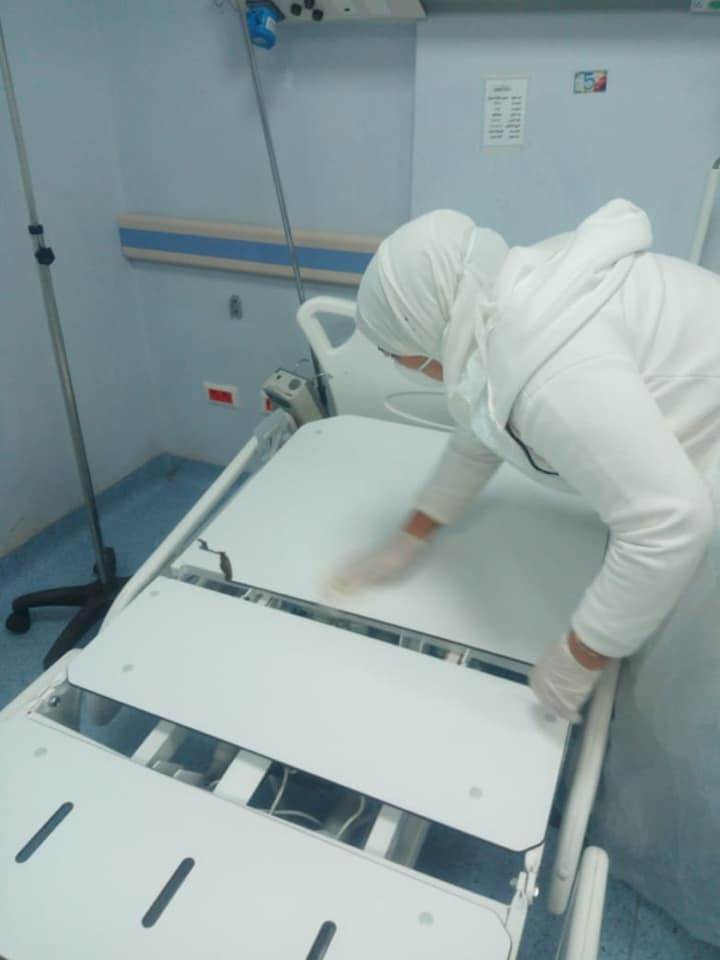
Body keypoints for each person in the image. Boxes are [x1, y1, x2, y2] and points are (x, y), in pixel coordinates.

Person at [329, 200, 720, 726]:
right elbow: (482, 428)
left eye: (390, 350)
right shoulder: (513, 292)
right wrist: (411, 536)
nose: (397, 362)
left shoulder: (549, 370)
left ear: (420, 324)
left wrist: (582, 654)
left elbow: (671, 522)